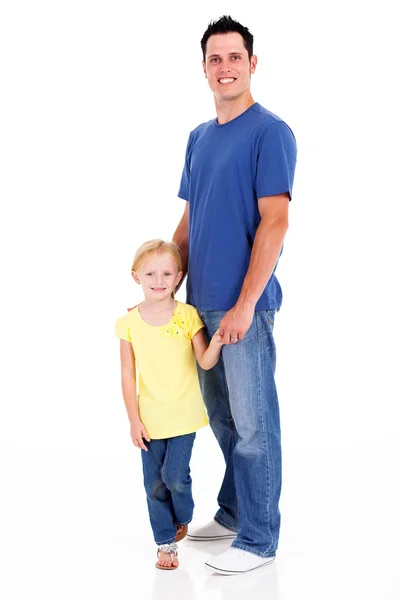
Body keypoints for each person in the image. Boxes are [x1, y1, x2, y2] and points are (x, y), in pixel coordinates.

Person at [172, 16, 297, 575]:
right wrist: (166, 289)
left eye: (234, 57)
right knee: (221, 419)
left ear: (252, 63)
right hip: (199, 305)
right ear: (204, 68)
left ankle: (260, 538)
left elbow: (275, 222)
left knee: (254, 425)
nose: (225, 67)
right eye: (214, 59)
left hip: (242, 304)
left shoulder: (270, 132)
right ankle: (234, 509)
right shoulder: (199, 137)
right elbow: (190, 217)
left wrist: (247, 304)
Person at [115, 239, 224, 570]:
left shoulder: (188, 316)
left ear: (179, 277)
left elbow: (204, 361)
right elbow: (127, 376)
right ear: (136, 276)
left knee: (175, 476)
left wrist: (217, 339)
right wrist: (134, 420)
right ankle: (166, 544)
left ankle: (184, 517)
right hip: (149, 418)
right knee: (153, 484)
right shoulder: (128, 323)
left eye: (166, 273)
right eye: (150, 273)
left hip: (183, 414)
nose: (158, 280)